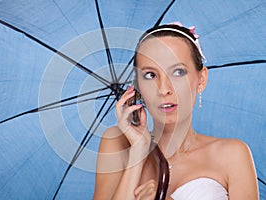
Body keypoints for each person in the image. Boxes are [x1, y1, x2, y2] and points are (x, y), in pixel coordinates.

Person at [93, 23, 259, 200]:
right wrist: (137, 152)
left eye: (178, 72)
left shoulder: (232, 154)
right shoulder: (118, 144)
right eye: (150, 75)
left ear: (201, 79)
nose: (164, 89)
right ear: (138, 85)